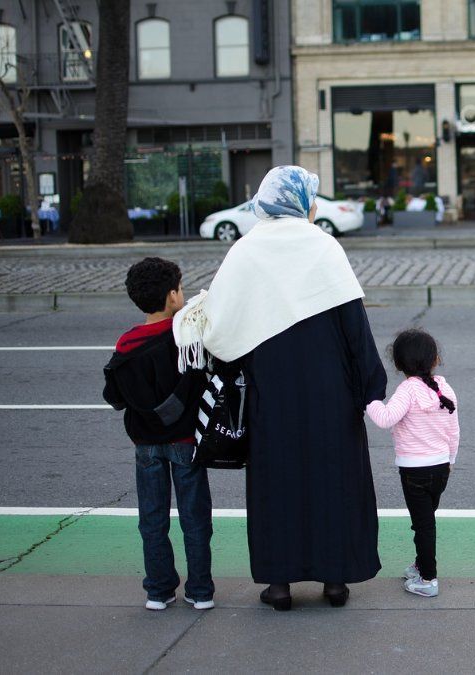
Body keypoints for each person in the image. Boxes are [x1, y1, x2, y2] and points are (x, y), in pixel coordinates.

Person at [173, 165, 387, 611]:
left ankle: (279, 585)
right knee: (334, 482)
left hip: (270, 394)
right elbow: (354, 326)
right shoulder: (324, 247)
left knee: (277, 485)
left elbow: (221, 330)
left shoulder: (246, 251)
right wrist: (369, 387)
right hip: (331, 394)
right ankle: (335, 580)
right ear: (302, 201)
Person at [102, 257, 213, 612]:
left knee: (152, 518)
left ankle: (159, 590)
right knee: (195, 519)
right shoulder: (186, 338)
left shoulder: (126, 344)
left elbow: (114, 397)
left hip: (145, 444)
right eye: (180, 288)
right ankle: (200, 591)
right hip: (185, 441)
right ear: (172, 296)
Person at [365, 329, 459, 598]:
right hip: (442, 468)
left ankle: (428, 579)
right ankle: (420, 566)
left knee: (423, 525)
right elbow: (454, 430)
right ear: (435, 359)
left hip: (414, 470)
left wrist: (367, 400)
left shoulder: (407, 390)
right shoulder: (444, 387)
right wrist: (450, 459)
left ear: (398, 364)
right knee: (425, 521)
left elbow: (385, 418)